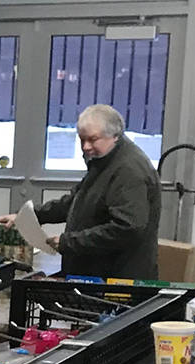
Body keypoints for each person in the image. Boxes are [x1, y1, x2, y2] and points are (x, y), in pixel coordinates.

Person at [26, 104, 162, 279]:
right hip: (94, 274)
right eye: (82, 140)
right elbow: (77, 202)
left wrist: (69, 242)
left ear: (115, 136)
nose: (85, 147)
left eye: (92, 139)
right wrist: (30, 216)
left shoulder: (129, 171)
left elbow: (128, 229)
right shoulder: (103, 162)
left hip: (116, 280)